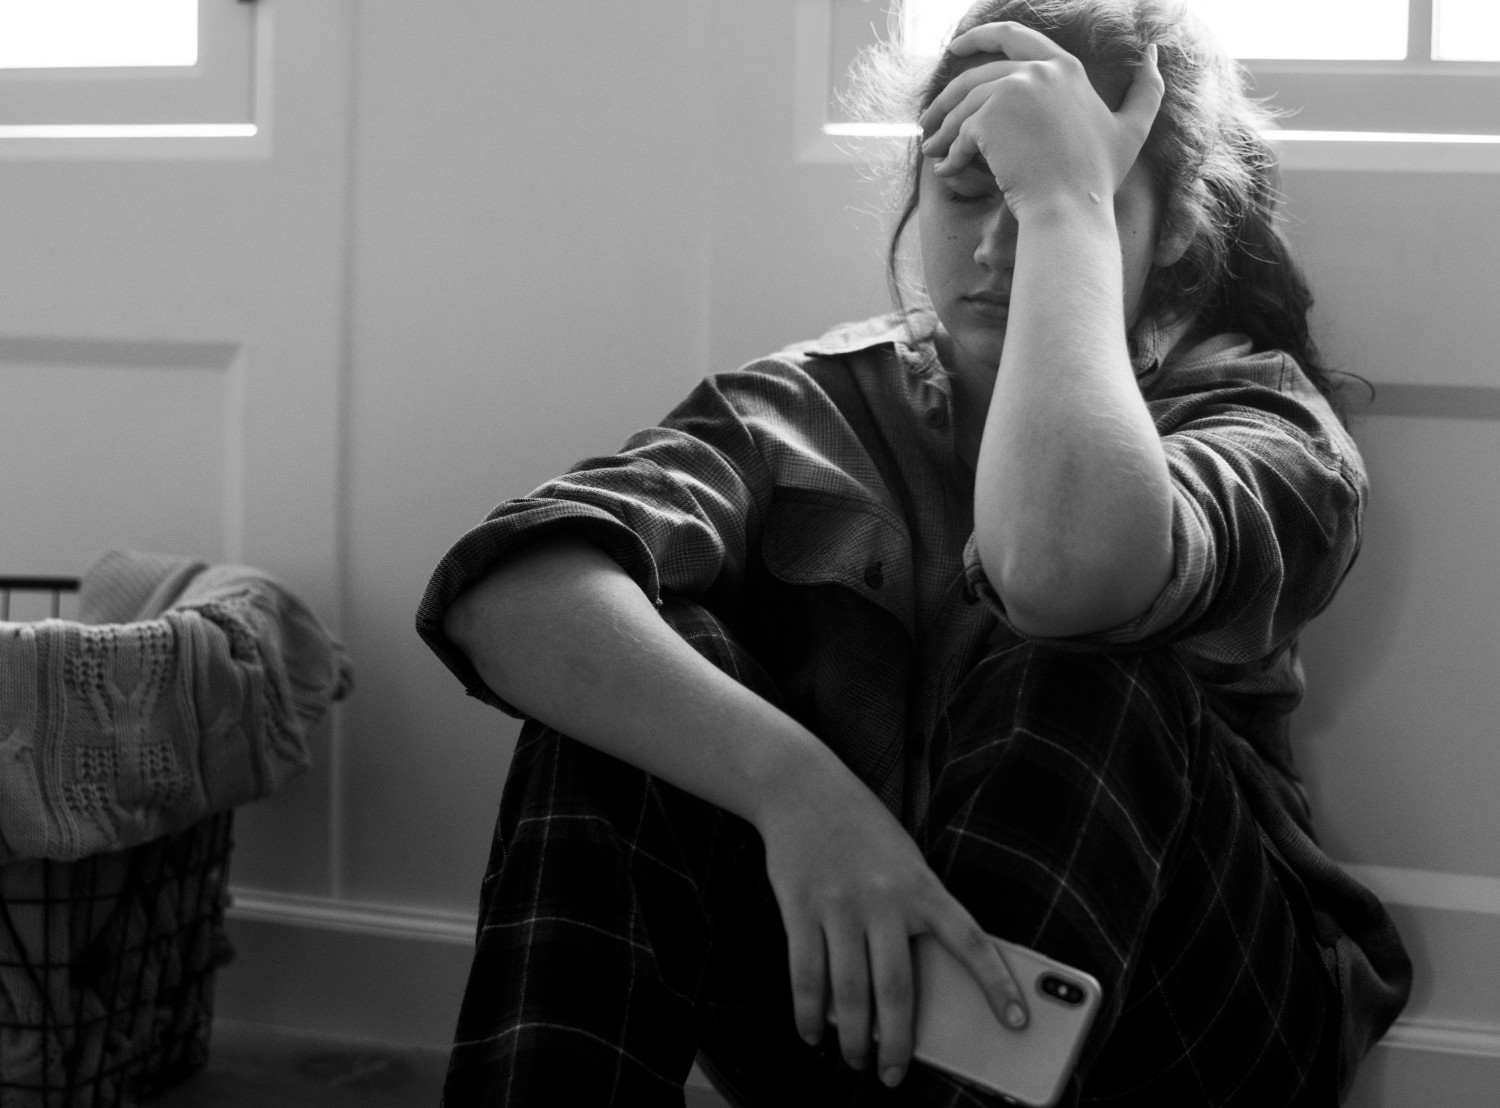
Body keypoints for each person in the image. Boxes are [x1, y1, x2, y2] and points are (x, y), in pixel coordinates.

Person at [416, 1, 1411, 1103]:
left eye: (1037, 202)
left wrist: (1068, 202)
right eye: (967, 188)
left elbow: (1060, 572)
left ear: (1167, 229)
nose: (992, 249)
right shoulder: (811, 407)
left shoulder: (1260, 421)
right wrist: (798, 792)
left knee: (1075, 665)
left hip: (1181, 1028)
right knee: (627, 696)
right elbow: (506, 593)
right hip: (859, 994)